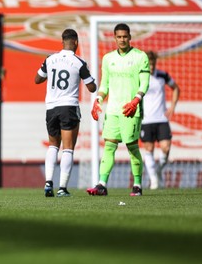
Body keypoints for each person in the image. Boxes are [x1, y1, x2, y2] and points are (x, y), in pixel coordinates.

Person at [88, 23, 150, 197]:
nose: (122, 39)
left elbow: (145, 82)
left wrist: (136, 100)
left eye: (125, 36)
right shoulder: (108, 58)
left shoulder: (140, 57)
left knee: (132, 147)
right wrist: (98, 99)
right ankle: (102, 184)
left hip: (131, 109)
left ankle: (137, 185)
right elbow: (104, 84)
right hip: (113, 109)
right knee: (109, 145)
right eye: (119, 36)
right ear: (114, 38)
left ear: (130, 37)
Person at [35, 29, 97, 197]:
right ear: (76, 43)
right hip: (68, 107)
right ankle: (62, 188)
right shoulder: (79, 62)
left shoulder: (50, 59)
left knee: (53, 145)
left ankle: (48, 182)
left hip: (51, 108)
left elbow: (37, 79)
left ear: (62, 42)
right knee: (68, 148)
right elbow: (92, 88)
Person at [140, 51, 180, 189]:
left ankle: (158, 171)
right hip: (146, 120)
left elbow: (175, 88)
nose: (151, 67)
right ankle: (154, 181)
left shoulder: (163, 75)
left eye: (153, 64)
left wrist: (173, 106)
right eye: (149, 64)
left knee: (166, 147)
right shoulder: (140, 77)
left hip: (161, 118)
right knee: (149, 149)